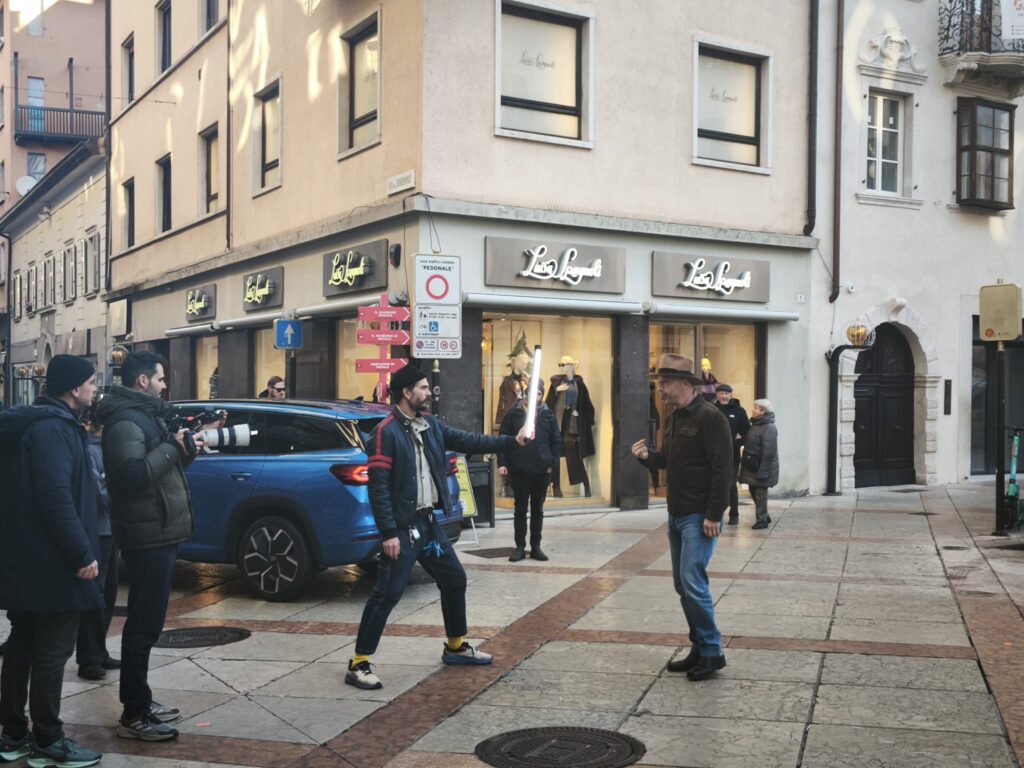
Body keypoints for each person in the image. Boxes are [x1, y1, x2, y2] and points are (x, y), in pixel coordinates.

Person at [345, 363, 530, 691]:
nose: (429, 392)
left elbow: (471, 441)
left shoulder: (430, 424)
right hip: (402, 528)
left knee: (454, 579)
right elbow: (379, 488)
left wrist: (512, 442)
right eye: (423, 387)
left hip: (428, 523)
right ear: (406, 392)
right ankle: (358, 663)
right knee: (387, 594)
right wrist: (388, 533)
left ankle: (455, 646)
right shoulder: (385, 433)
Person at [0, 355, 103, 768]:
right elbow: (55, 495)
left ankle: (13, 733)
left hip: (27, 557)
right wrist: (81, 553)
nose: (95, 388)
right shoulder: (54, 430)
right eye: (92, 382)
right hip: (53, 561)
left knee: (23, 643)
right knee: (52, 649)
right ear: (74, 388)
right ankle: (48, 738)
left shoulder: (35, 423)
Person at [97, 351, 201, 742]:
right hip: (146, 534)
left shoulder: (145, 415)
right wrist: (172, 448)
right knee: (142, 624)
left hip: (159, 529)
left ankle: (139, 698)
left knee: (149, 623)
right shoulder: (126, 420)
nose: (164, 385)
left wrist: (185, 450)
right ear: (142, 381)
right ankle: (135, 713)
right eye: (159, 378)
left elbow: (162, 469)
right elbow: (130, 477)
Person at [631, 353, 733, 681]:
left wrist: (714, 514)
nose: (660, 388)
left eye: (665, 382)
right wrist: (647, 457)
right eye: (660, 382)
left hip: (699, 515)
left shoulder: (710, 417)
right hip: (676, 512)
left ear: (686, 383)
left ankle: (713, 651)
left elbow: (723, 469)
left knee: (692, 581)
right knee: (681, 584)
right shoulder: (674, 418)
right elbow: (668, 460)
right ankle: (700, 647)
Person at [75, 405, 121, 681]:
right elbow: (99, 493)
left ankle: (98, 651)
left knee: (109, 594)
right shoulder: (90, 450)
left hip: (110, 528)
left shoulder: (106, 448)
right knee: (96, 594)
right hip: (99, 530)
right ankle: (89, 657)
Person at [498, 380, 561, 562]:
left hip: (541, 470)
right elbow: (503, 439)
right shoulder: (513, 414)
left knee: (537, 509)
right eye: (532, 393)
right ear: (525, 395)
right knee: (520, 509)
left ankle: (536, 546)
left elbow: (556, 441)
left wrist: (552, 463)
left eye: (539, 394)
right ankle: (519, 546)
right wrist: (503, 463)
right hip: (520, 469)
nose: (536, 397)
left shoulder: (548, 415)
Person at [739, 399, 780, 530]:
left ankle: (762, 520)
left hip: (761, 467)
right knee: (753, 490)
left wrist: (763, 471)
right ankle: (765, 515)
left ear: (763, 411)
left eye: (755, 408)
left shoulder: (769, 427)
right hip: (752, 465)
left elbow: (769, 452)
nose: (752, 410)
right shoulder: (756, 424)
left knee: (760, 493)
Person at [713, 384, 750, 526]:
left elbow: (747, 432)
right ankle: (714, 514)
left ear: (731, 395)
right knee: (714, 484)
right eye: (721, 393)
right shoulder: (711, 409)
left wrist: (736, 442)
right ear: (716, 394)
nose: (723, 396)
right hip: (713, 455)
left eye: (726, 393)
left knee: (730, 485)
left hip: (732, 455)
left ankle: (734, 514)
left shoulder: (739, 411)